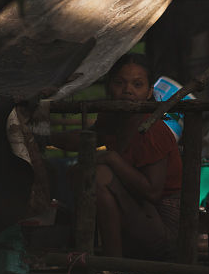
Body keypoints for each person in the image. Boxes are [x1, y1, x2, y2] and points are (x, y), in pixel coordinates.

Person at [51, 53, 182, 259]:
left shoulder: (152, 129)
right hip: (135, 219)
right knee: (81, 173)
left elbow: (153, 192)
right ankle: (104, 258)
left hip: (162, 230)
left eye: (137, 85)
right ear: (109, 87)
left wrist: (111, 158)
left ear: (149, 92)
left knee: (100, 174)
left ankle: (113, 266)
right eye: (119, 83)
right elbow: (87, 138)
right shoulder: (113, 118)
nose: (127, 90)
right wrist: (42, 138)